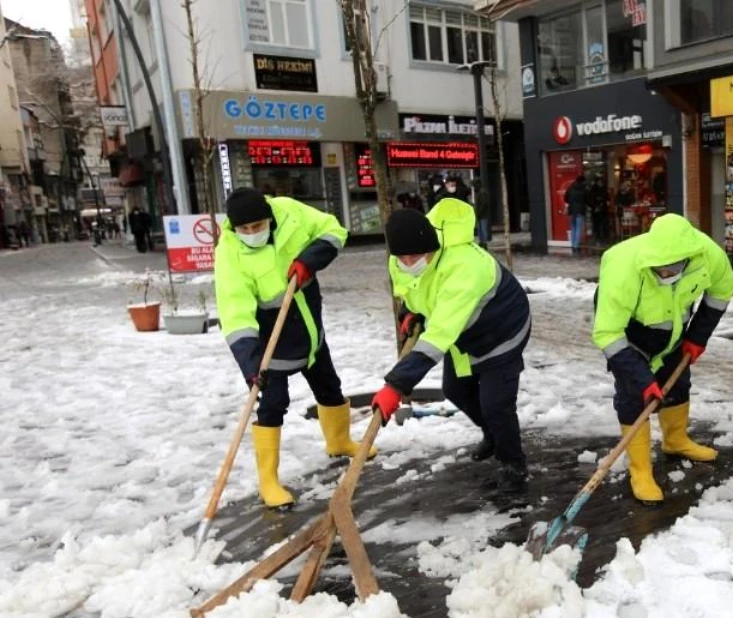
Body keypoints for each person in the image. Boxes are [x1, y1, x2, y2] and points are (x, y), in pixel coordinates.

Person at [214, 187, 369, 509]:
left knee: (328, 384)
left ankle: (339, 440)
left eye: (258, 226)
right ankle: (268, 480)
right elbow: (235, 313)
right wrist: (252, 364)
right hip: (270, 333)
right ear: (234, 228)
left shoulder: (288, 211)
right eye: (245, 230)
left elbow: (333, 229)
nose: (252, 234)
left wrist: (308, 261)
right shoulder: (229, 254)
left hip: (307, 317)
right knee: (272, 401)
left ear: (269, 218)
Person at [372, 199, 532, 489]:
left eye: (416, 256)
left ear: (433, 246)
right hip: (463, 331)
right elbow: (414, 291)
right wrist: (411, 311)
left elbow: (439, 335)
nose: (408, 263)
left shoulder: (464, 269)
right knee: (456, 390)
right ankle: (493, 434)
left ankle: (513, 462)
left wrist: (395, 385)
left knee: (496, 404)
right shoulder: (400, 262)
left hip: (501, 330)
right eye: (402, 258)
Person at [592, 214, 733, 503]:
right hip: (630, 331)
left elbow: (722, 292)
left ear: (688, 257)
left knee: (677, 382)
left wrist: (698, 337)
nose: (666, 272)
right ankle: (641, 470)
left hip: (674, 329)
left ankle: (676, 440)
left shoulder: (708, 255)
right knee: (633, 396)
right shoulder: (623, 269)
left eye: (672, 267)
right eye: (660, 268)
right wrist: (642, 379)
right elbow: (608, 332)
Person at [565, 174, 589, 252]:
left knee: (573, 227)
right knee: (579, 228)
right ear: (583, 181)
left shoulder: (570, 188)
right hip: (580, 211)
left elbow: (566, 198)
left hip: (572, 210)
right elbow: (587, 199)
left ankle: (572, 245)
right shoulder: (584, 189)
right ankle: (577, 245)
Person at [588, 176, 611, 245]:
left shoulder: (603, 189)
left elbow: (607, 198)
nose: (600, 183)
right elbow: (591, 199)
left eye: (601, 182)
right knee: (597, 225)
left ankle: (602, 238)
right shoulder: (594, 190)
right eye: (599, 182)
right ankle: (598, 238)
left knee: (603, 224)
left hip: (602, 210)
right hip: (596, 210)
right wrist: (595, 205)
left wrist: (605, 202)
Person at [472, 178, 491, 246]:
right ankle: (482, 242)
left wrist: (479, 212)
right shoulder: (479, 192)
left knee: (483, 229)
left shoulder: (482, 192)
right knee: (480, 229)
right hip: (480, 215)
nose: (474, 187)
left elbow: (484, 204)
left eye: (474, 185)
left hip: (483, 215)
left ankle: (484, 243)